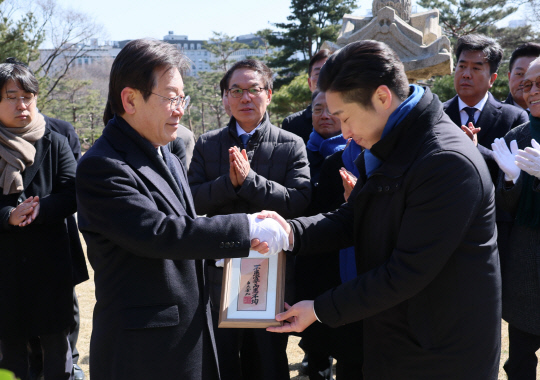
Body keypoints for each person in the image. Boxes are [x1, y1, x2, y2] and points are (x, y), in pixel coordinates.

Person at [260, 40, 502, 379]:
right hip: (395, 336)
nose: (344, 132)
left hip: (439, 352)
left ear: (382, 97)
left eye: (345, 117)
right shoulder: (392, 142)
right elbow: (354, 215)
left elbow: (406, 272)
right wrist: (290, 232)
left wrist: (318, 309)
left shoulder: (445, 162)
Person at [75, 39, 286, 380]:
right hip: (144, 347)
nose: (180, 109)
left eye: (181, 98)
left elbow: (185, 226)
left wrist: (218, 253)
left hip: (189, 332)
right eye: (170, 98)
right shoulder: (103, 166)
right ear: (130, 99)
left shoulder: (167, 155)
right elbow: (159, 234)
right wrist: (243, 229)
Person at [188, 59, 310, 380]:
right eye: (236, 91)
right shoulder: (207, 144)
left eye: (254, 90)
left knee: (268, 361)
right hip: (219, 274)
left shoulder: (291, 144)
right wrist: (229, 183)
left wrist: (250, 182)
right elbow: (192, 199)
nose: (245, 98)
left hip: (270, 274)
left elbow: (299, 201)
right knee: (221, 360)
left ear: (268, 94)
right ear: (225, 98)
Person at [0, 59, 77, 380]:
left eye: (28, 96)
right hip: (5, 267)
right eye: (12, 96)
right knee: (10, 357)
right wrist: (7, 216)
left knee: (56, 354)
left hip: (50, 266)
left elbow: (73, 191)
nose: (22, 104)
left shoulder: (54, 140)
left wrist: (36, 210)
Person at [492, 57, 540, 379]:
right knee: (520, 357)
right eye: (526, 86)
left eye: (539, 85)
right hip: (527, 257)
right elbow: (506, 205)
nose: (532, 92)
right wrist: (510, 180)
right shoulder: (519, 134)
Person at [443, 34, 528, 182]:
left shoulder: (514, 118)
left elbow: (518, 174)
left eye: (476, 68)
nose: (466, 75)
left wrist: (475, 148)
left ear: (492, 79)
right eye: (462, 66)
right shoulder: (438, 114)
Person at [282, 50, 331, 144]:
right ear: (309, 83)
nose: (324, 78)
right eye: (318, 74)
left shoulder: (350, 120)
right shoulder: (292, 124)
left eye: (330, 73)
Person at [504, 42, 540, 110]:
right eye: (520, 74)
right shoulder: (490, 117)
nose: (525, 81)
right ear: (509, 77)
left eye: (534, 76)